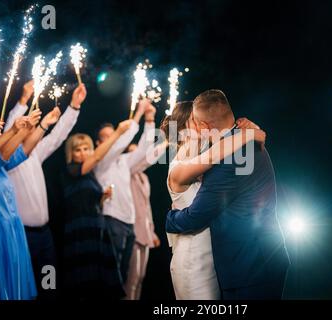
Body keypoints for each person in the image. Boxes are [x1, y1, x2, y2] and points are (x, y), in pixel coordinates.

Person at [165, 91, 288, 300]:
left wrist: (170, 219)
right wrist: (252, 133)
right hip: (204, 257)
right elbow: (215, 152)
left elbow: (196, 215)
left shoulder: (229, 153)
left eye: (198, 123)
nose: (198, 128)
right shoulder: (228, 148)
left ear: (204, 125)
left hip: (247, 265)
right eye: (193, 124)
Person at [4, 82, 86, 300]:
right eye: (26, 127)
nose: (31, 130)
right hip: (22, 235)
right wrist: (23, 100)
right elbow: (9, 129)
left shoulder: (36, 153)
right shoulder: (6, 161)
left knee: (48, 284)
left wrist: (74, 106)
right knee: (24, 287)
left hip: (45, 235)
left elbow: (58, 135)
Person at [61, 116, 136, 300]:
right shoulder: (72, 170)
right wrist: (118, 132)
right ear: (71, 153)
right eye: (78, 150)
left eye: (86, 148)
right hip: (80, 230)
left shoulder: (91, 176)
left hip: (96, 227)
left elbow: (89, 201)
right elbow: (97, 156)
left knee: (99, 279)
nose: (83, 153)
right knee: (83, 279)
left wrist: (102, 197)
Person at [0, 110, 42, 300]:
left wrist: (38, 126)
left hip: (12, 229)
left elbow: (17, 152)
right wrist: (13, 131)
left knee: (16, 286)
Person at [94, 99, 156, 291]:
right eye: (106, 137)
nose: (113, 139)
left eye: (113, 135)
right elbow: (119, 144)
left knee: (126, 279)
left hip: (129, 223)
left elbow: (145, 148)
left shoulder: (124, 161)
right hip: (112, 220)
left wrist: (150, 119)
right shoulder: (100, 162)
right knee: (113, 279)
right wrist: (137, 113)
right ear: (98, 143)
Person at [123, 141, 166, 300]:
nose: (139, 157)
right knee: (131, 278)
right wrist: (165, 144)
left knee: (140, 277)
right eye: (135, 154)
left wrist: (152, 231)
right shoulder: (126, 172)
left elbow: (146, 207)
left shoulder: (144, 177)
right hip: (132, 230)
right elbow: (147, 159)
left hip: (145, 230)